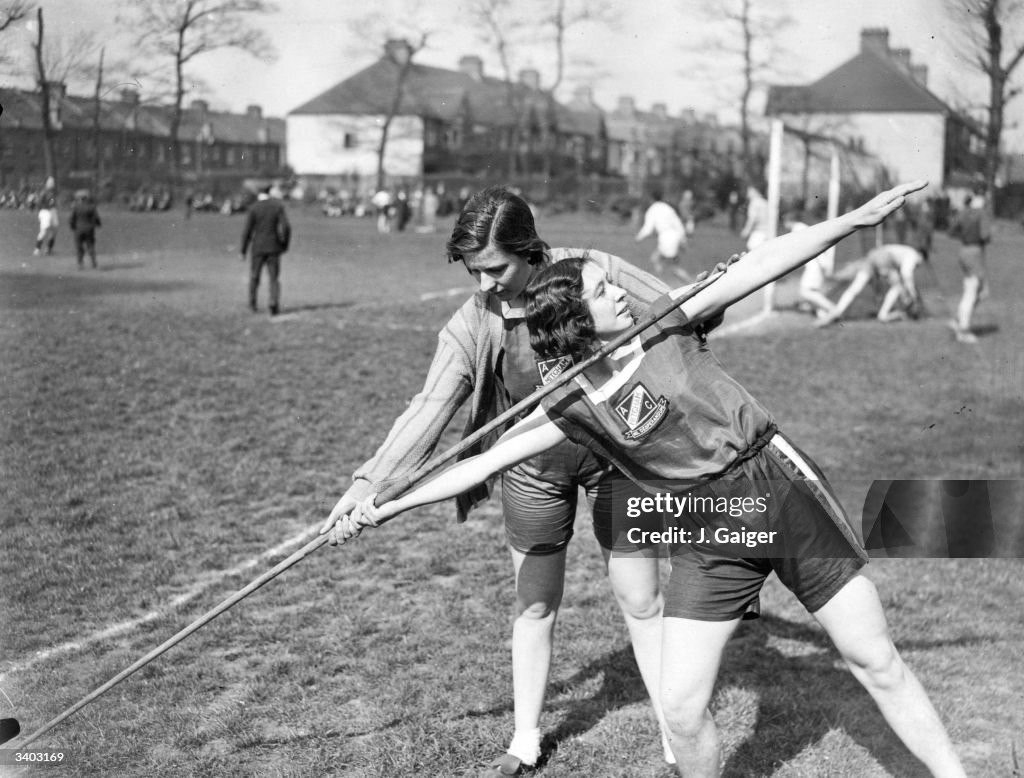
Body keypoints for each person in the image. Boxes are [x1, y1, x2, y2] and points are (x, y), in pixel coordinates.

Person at [341, 181, 967, 778]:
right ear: (580, 319)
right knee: (683, 711)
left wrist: (852, 221)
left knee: (873, 659)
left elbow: (762, 264)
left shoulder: (665, 321)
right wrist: (381, 505)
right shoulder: (570, 404)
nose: (619, 289)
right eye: (602, 289)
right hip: (709, 527)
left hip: (776, 491)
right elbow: (482, 462)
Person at [321, 186, 681, 775]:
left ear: (529, 247)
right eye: (474, 271)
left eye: (496, 268)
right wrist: (366, 486)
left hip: (617, 461)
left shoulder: (592, 273)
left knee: (641, 601)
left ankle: (676, 736)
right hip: (534, 470)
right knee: (535, 605)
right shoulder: (474, 321)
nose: (485, 284)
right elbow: (428, 407)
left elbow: (678, 310)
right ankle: (525, 740)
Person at [815, 244, 923, 327]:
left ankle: (837, 311)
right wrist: (912, 294)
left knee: (856, 288)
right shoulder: (914, 255)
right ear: (921, 255)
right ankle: (884, 314)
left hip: (873, 255)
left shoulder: (905, 250)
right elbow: (906, 274)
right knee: (897, 286)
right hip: (883, 257)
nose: (918, 265)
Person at [947, 193, 991, 344]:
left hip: (964, 251)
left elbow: (951, 231)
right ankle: (963, 329)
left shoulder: (963, 213)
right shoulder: (982, 214)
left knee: (975, 289)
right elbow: (985, 236)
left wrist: (965, 235)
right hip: (975, 252)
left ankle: (958, 320)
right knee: (973, 291)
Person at [240, 185, 291, 316]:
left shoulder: (254, 208)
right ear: (269, 192)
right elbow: (286, 227)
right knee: (274, 278)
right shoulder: (277, 206)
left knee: (254, 276)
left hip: (258, 247)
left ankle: (252, 303)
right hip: (274, 247)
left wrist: (243, 250)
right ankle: (273, 302)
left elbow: (247, 231)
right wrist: (284, 244)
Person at [783, 214, 835, 320]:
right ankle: (823, 313)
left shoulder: (798, 229)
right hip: (817, 264)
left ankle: (832, 309)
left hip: (815, 265)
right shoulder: (801, 227)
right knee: (813, 291)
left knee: (805, 291)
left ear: (789, 221)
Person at [636, 189, 692, 282]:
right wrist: (683, 239)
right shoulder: (668, 208)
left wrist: (639, 237)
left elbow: (648, 228)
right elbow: (678, 224)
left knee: (672, 267)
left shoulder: (652, 209)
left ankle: (659, 283)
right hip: (675, 237)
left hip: (666, 239)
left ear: (651, 198)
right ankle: (659, 281)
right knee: (656, 259)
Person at [69, 190, 102, 270]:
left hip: (78, 229)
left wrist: (72, 227)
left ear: (79, 198)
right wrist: (98, 224)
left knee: (79, 247)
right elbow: (96, 218)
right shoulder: (91, 207)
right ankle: (94, 263)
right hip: (89, 229)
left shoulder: (76, 207)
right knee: (90, 246)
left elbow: (71, 219)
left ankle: (80, 264)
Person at [34, 176, 59, 256]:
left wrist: (52, 204)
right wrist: (43, 208)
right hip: (45, 211)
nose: (52, 184)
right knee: (44, 230)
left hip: (52, 211)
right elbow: (39, 202)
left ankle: (49, 249)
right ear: (47, 183)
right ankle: (37, 249)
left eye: (53, 182)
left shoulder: (53, 192)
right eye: (50, 182)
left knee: (54, 230)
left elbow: (52, 201)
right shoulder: (44, 192)